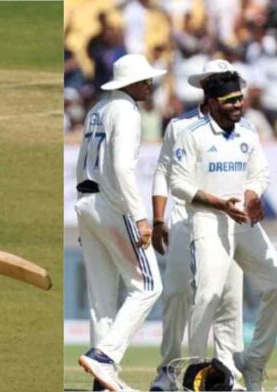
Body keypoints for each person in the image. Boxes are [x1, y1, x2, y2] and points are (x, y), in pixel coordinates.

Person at [170, 70, 277, 391]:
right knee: (209, 293)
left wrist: (251, 195)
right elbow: (178, 184)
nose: (238, 105)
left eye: (240, 98)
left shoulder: (248, 131)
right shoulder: (192, 134)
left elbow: (259, 173)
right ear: (211, 103)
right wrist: (221, 204)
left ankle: (254, 363)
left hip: (243, 222)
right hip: (209, 221)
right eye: (230, 100)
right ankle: (195, 369)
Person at [149, 59, 246, 391]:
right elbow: (163, 172)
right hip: (184, 219)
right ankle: (169, 370)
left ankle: (227, 370)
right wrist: (159, 218)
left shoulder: (242, 126)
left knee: (228, 295)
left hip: (230, 220)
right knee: (177, 292)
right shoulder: (180, 125)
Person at [75, 54, 165, 391]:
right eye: (144, 80)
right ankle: (105, 358)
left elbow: (83, 161)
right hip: (113, 205)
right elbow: (123, 167)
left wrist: (85, 212)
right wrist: (141, 217)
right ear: (129, 84)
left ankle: (102, 383)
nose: (149, 84)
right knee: (148, 286)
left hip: (86, 201)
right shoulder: (126, 111)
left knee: (101, 300)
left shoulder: (98, 108)